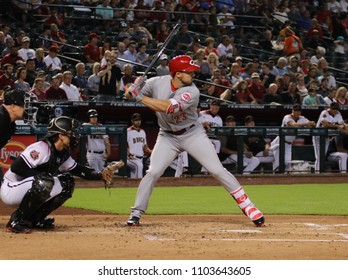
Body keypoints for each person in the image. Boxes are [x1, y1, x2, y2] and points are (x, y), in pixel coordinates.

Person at [125, 55, 264, 227]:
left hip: (192, 134)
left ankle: (248, 206)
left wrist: (139, 97)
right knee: (153, 172)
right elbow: (130, 93)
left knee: (217, 170)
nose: (193, 74)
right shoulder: (156, 82)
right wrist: (132, 89)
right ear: (177, 74)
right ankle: (136, 213)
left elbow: (168, 108)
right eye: (189, 71)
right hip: (167, 136)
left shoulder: (192, 91)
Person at [0, 116, 123, 234]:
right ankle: (16, 221)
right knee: (45, 181)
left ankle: (36, 219)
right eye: (71, 133)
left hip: (29, 188)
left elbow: (77, 170)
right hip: (12, 188)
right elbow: (16, 167)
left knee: (67, 182)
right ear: (61, 136)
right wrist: (40, 176)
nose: (75, 136)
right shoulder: (41, 148)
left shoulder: (62, 153)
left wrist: (100, 175)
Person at [270, 104, 316, 172]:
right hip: (280, 142)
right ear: (292, 111)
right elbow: (292, 125)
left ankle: (282, 179)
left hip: (289, 144)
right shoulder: (287, 117)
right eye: (296, 111)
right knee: (278, 163)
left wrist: (312, 123)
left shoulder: (302, 118)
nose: (297, 112)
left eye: (299, 111)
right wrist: (305, 125)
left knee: (287, 163)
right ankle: (274, 179)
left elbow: (311, 124)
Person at [313, 102, 347, 173]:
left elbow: (342, 124)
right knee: (319, 157)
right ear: (330, 108)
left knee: (323, 156)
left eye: (336, 109)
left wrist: (344, 127)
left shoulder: (338, 114)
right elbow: (325, 124)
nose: (335, 110)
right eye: (333, 109)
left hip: (327, 137)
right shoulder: (325, 112)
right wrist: (337, 126)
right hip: (318, 136)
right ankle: (317, 174)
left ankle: (319, 173)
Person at [127, 113, 152, 178]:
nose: (138, 122)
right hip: (131, 158)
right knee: (139, 166)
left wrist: (153, 152)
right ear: (132, 121)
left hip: (140, 158)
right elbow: (123, 145)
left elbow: (145, 147)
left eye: (139, 120)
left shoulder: (142, 132)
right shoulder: (128, 131)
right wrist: (128, 154)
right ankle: (139, 185)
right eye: (136, 120)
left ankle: (133, 187)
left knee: (134, 176)